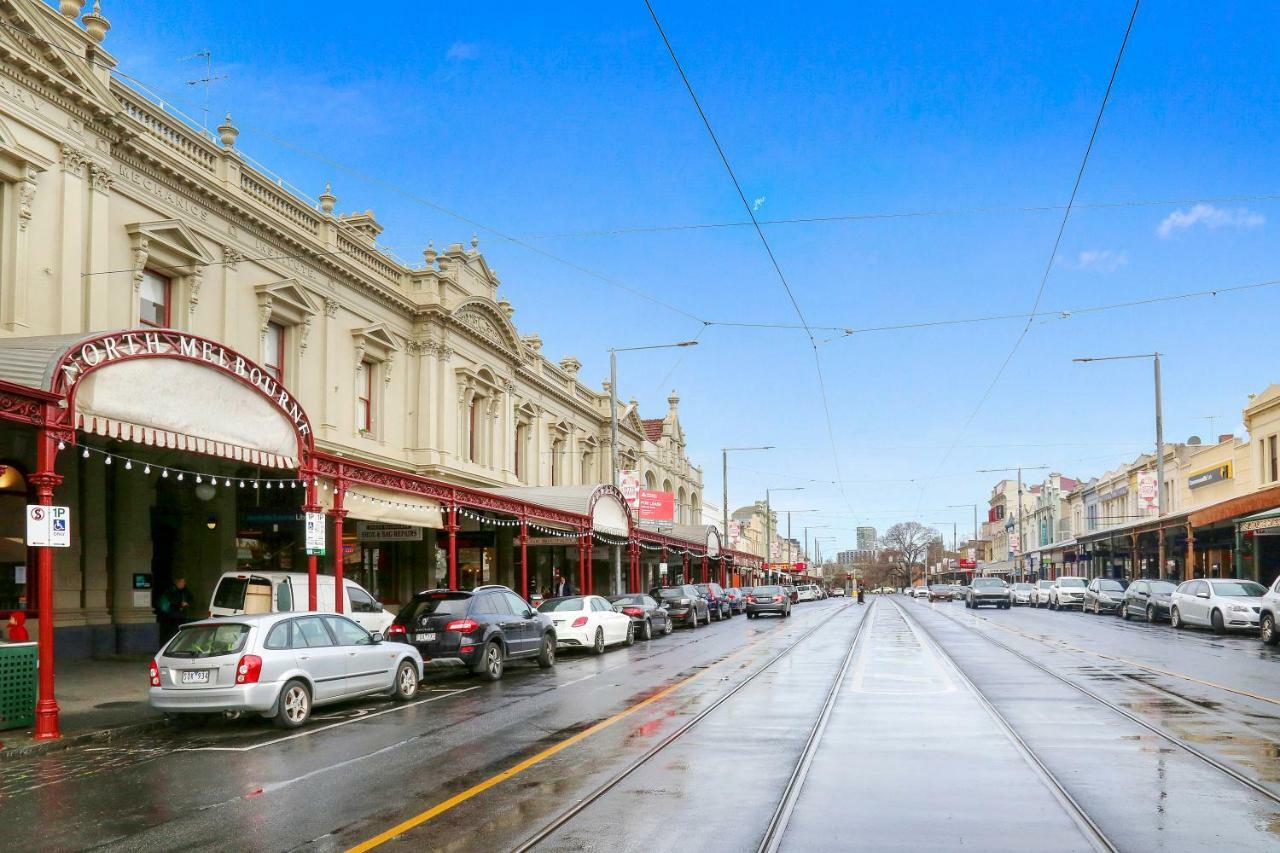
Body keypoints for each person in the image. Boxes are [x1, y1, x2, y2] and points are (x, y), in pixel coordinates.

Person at [157, 577, 194, 644]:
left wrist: (188, 603)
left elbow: (191, 600)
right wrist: (180, 604)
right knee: (171, 633)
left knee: (181, 632)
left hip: (181, 615)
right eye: (182, 582)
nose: (184, 584)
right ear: (178, 583)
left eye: (184, 582)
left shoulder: (185, 591)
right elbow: (171, 602)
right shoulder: (171, 591)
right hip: (171, 616)